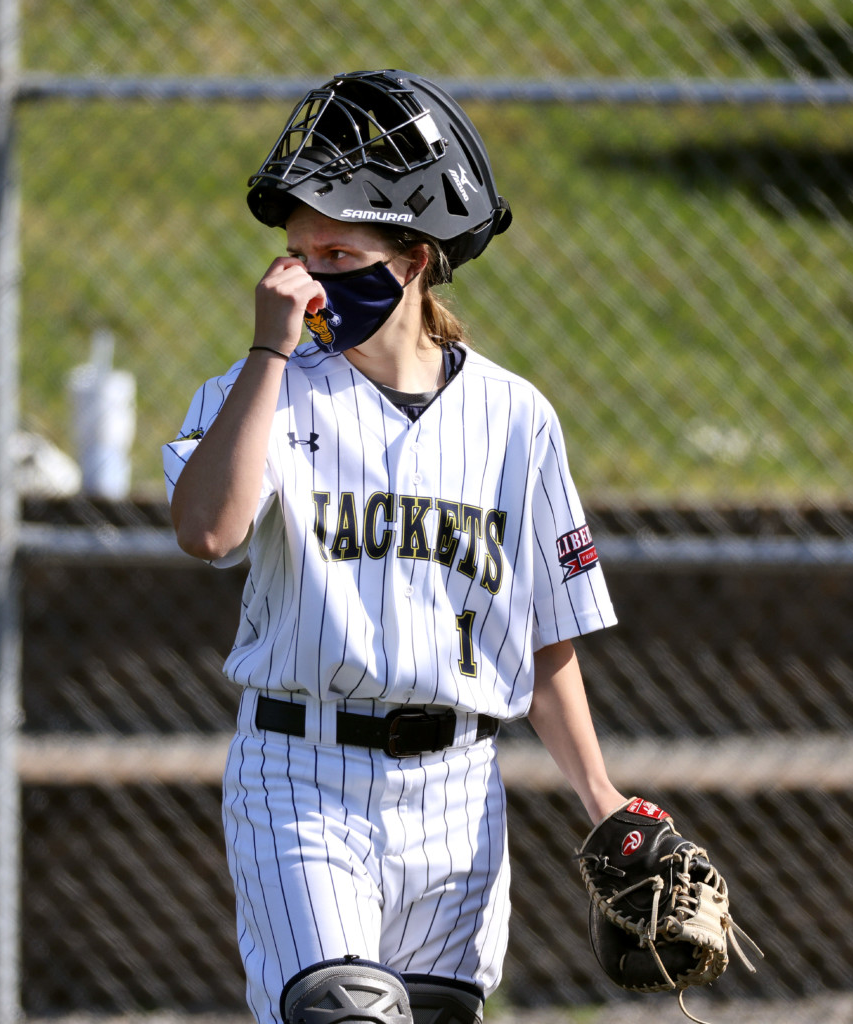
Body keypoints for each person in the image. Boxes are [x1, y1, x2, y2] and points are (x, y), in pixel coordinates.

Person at [163, 69, 625, 1024]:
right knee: (346, 1012)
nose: (302, 278)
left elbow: (541, 637)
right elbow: (209, 532)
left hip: (458, 786)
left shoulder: (514, 418)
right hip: (302, 776)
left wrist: (603, 800)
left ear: (413, 259)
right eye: (294, 252)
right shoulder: (263, 395)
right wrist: (267, 353)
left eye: (335, 251)